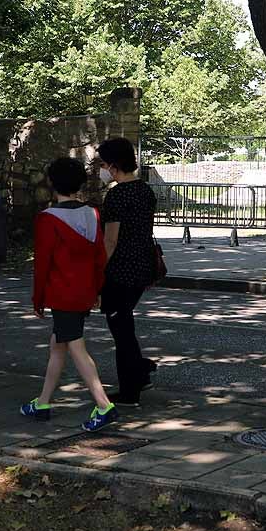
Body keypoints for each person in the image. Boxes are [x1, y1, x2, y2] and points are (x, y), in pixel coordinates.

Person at [22, 158, 117, 432]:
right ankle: (42, 402)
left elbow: (43, 264)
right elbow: (99, 257)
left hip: (62, 293)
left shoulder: (48, 219)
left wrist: (38, 299)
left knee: (75, 346)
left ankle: (103, 404)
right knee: (59, 344)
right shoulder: (93, 214)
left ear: (52, 183)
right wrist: (97, 288)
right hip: (85, 290)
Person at [96, 137, 158, 407]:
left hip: (120, 269)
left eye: (103, 163)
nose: (101, 169)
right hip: (143, 265)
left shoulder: (117, 195)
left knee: (120, 328)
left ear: (112, 165)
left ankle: (131, 387)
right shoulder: (145, 190)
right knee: (124, 324)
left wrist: (98, 272)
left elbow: (110, 240)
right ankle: (140, 371)